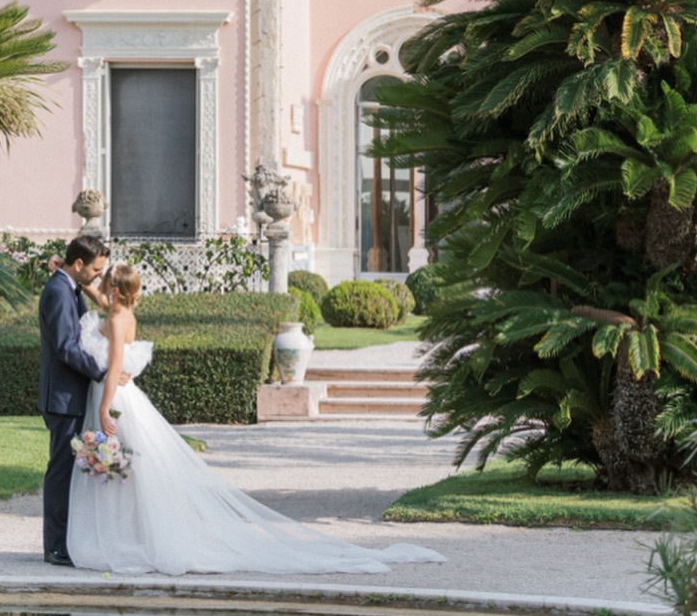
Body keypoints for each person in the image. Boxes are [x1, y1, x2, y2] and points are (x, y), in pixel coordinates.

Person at [66, 263, 446, 577]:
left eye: (106, 281)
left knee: (128, 468)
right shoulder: (121, 311)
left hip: (115, 398)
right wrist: (75, 279)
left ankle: (128, 538)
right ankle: (130, 534)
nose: (102, 287)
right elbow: (101, 300)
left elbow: (114, 367)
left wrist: (104, 409)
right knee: (131, 469)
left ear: (115, 289)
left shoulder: (117, 320)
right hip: (123, 395)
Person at [37, 231, 124, 567]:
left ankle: (66, 541)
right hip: (62, 397)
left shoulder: (67, 285)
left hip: (70, 395)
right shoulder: (58, 291)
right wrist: (102, 372)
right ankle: (55, 546)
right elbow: (65, 347)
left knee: (69, 470)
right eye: (96, 269)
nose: (99, 276)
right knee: (60, 471)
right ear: (78, 263)